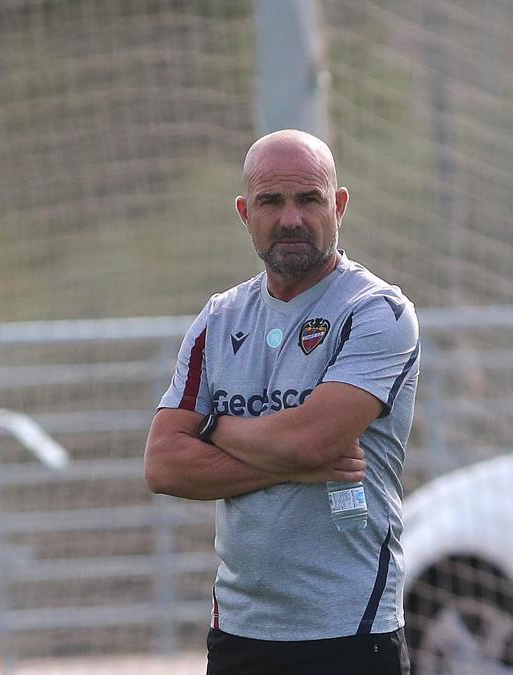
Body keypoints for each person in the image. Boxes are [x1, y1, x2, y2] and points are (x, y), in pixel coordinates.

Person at [144, 129, 419, 675]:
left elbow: (308, 441)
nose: (291, 218)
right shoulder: (218, 319)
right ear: (246, 213)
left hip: (351, 630)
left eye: (309, 199)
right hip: (239, 631)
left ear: (338, 206)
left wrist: (217, 428)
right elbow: (163, 464)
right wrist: (298, 465)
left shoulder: (377, 312)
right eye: (272, 202)